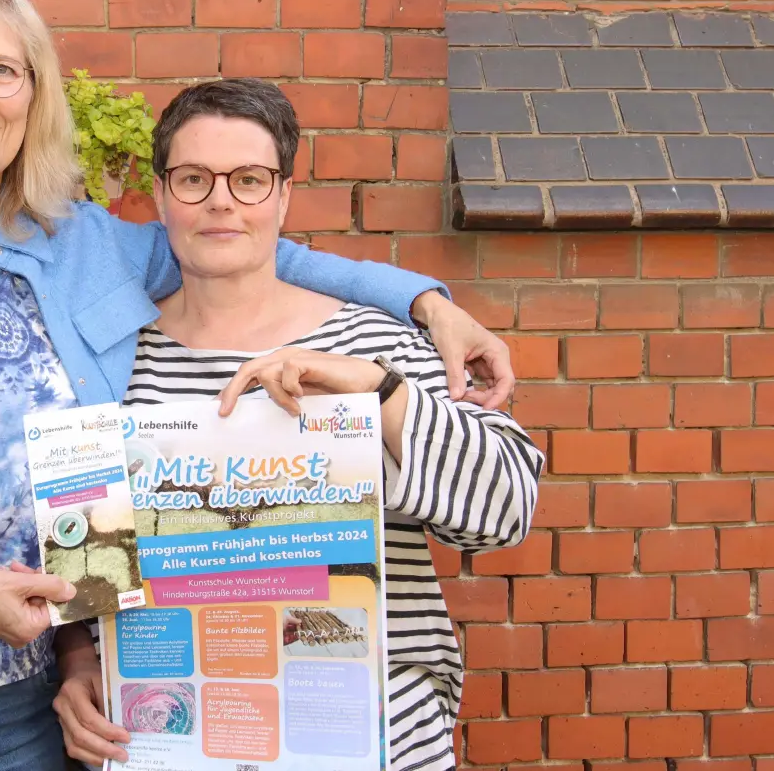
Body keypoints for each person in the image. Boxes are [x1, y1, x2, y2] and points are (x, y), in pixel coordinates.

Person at [0, 0, 516, 771]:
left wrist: (425, 304)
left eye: (0, 71)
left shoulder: (86, 247)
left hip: (20, 724)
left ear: (34, 94)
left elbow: (243, 237)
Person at [51, 79, 545, 771]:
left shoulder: (383, 347)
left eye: (249, 179)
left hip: (377, 747)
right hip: (171, 746)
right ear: (161, 196)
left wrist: (380, 395)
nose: (221, 200)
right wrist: (76, 665)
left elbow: (505, 511)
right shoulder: (111, 366)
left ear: (282, 195)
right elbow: (87, 568)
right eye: (194, 179)